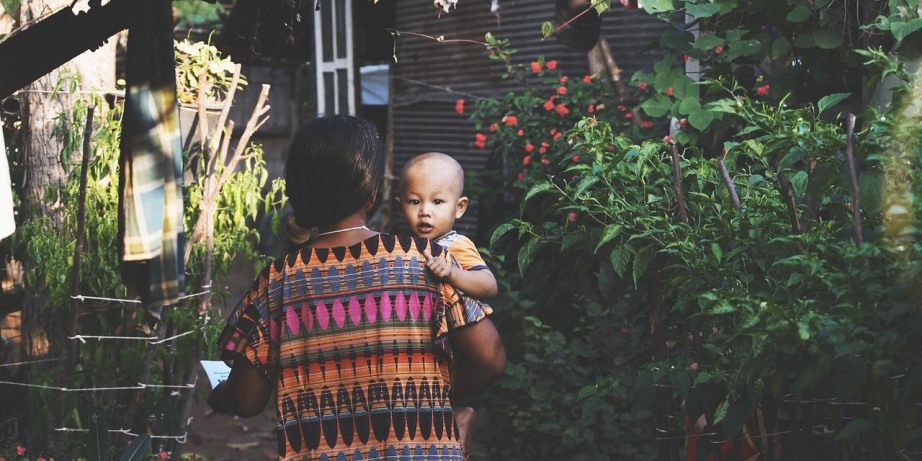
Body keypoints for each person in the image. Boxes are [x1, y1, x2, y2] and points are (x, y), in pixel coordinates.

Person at [207, 115, 505, 461]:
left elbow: (246, 400)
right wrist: (430, 405)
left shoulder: (278, 280)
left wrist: (219, 395)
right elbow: (490, 359)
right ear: (373, 192)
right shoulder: (425, 260)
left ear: (296, 192)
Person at [395, 152, 499, 455]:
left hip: (452, 348)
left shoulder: (456, 244)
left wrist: (452, 272)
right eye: (415, 202)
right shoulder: (405, 248)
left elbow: (489, 284)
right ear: (400, 205)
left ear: (460, 207)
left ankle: (458, 418)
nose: (425, 212)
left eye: (437, 202)